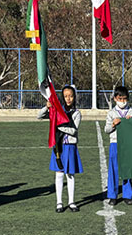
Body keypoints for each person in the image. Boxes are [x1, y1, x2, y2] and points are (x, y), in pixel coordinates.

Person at [38, 85, 83, 213]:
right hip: (59, 147)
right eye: (66, 96)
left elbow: (73, 130)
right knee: (59, 174)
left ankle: (71, 202)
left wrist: (58, 126)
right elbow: (39, 116)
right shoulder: (57, 110)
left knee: (70, 174)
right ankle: (59, 202)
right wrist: (47, 107)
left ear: (74, 97)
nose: (68, 99)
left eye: (71, 96)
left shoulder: (76, 113)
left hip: (70, 147)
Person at [104, 86, 132, 206]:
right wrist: (113, 124)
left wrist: (131, 122)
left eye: (124, 99)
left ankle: (127, 195)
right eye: (120, 98)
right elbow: (106, 130)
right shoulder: (111, 113)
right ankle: (112, 195)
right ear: (115, 98)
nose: (122, 101)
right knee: (113, 170)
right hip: (115, 143)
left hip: (127, 145)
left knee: (127, 170)